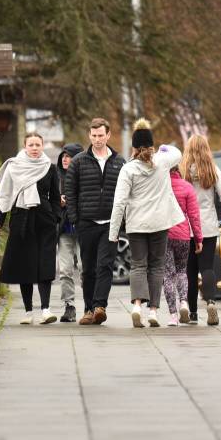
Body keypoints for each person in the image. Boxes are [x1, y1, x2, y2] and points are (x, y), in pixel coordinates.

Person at [107, 119, 184, 328]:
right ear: (151, 146)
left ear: (133, 147)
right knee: (157, 266)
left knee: (138, 264)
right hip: (159, 223)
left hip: (136, 225)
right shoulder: (163, 162)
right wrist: (163, 148)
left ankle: (136, 307)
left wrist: (113, 233)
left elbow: (119, 202)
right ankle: (153, 311)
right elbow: (178, 153)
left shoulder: (128, 170)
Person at [0, 132, 61, 325]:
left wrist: (55, 218)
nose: (35, 148)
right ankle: (28, 311)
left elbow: (55, 197)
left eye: (38, 144)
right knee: (25, 266)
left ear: (42, 146)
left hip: (45, 222)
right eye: (31, 145)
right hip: (21, 221)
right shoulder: (13, 167)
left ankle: (46, 310)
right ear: (25, 146)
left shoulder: (49, 168)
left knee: (45, 265)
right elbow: (4, 197)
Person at [64, 118, 126, 326]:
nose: (97, 139)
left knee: (105, 265)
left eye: (101, 135)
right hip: (87, 223)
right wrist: (75, 219)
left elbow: (125, 193)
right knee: (88, 268)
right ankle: (88, 309)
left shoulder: (120, 162)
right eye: (94, 135)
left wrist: (122, 220)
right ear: (89, 136)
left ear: (108, 135)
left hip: (111, 223)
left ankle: (100, 307)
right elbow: (70, 192)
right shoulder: (79, 161)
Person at [180, 134, 221, 326]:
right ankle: (211, 302)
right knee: (207, 267)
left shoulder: (182, 170)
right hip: (208, 226)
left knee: (189, 270)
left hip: (186, 226)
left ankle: (193, 312)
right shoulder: (211, 169)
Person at [164, 167, 202, 326]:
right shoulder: (187, 187)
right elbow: (194, 215)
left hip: (164, 234)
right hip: (183, 235)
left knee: (168, 275)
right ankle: (184, 302)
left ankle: (173, 315)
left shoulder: (161, 185)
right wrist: (198, 238)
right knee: (181, 271)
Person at [55, 142, 84, 322]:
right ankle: (69, 306)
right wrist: (57, 200)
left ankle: (90, 305)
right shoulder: (55, 176)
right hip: (64, 230)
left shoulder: (85, 176)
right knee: (65, 270)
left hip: (83, 229)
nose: (65, 159)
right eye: (64, 156)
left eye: (70, 156)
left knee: (85, 268)